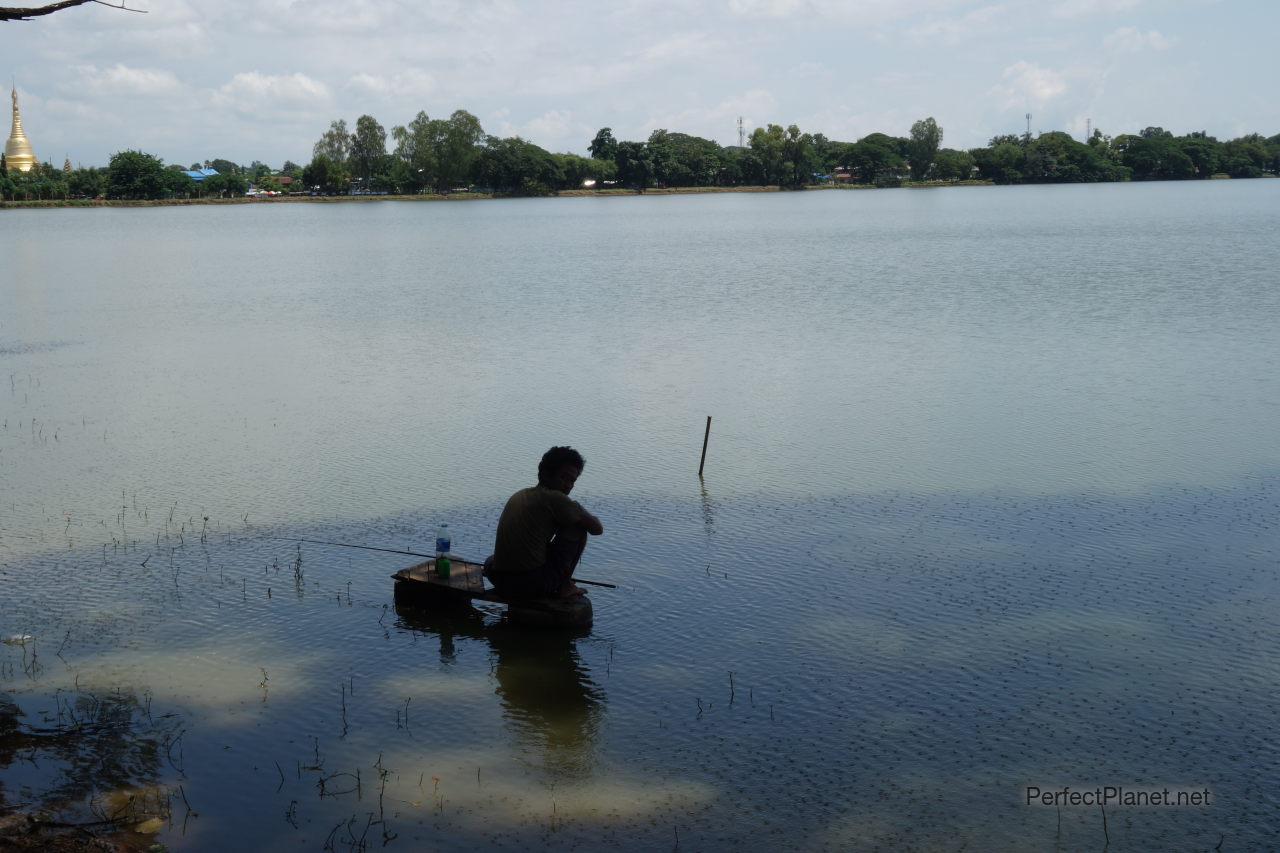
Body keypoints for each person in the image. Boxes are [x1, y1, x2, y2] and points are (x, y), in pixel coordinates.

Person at [485, 446, 604, 600]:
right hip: (531, 587)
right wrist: (580, 511)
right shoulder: (556, 498)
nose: (568, 485)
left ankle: (554, 579)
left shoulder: (520, 494)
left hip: (499, 579)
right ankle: (565, 586)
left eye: (572, 480)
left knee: (490, 560)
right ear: (546, 474)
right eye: (563, 478)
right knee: (578, 528)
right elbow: (597, 529)